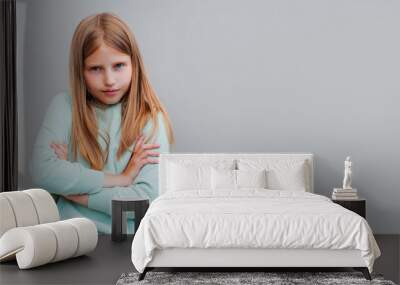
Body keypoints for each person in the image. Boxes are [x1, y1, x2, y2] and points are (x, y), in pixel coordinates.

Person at [30, 12, 174, 234]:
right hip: (66, 236)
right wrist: (122, 179)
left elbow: (145, 201)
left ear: (134, 64)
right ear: (81, 71)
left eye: (118, 66)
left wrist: (71, 190)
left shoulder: (150, 119)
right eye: (96, 69)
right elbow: (42, 171)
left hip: (126, 242)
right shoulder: (64, 107)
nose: (109, 80)